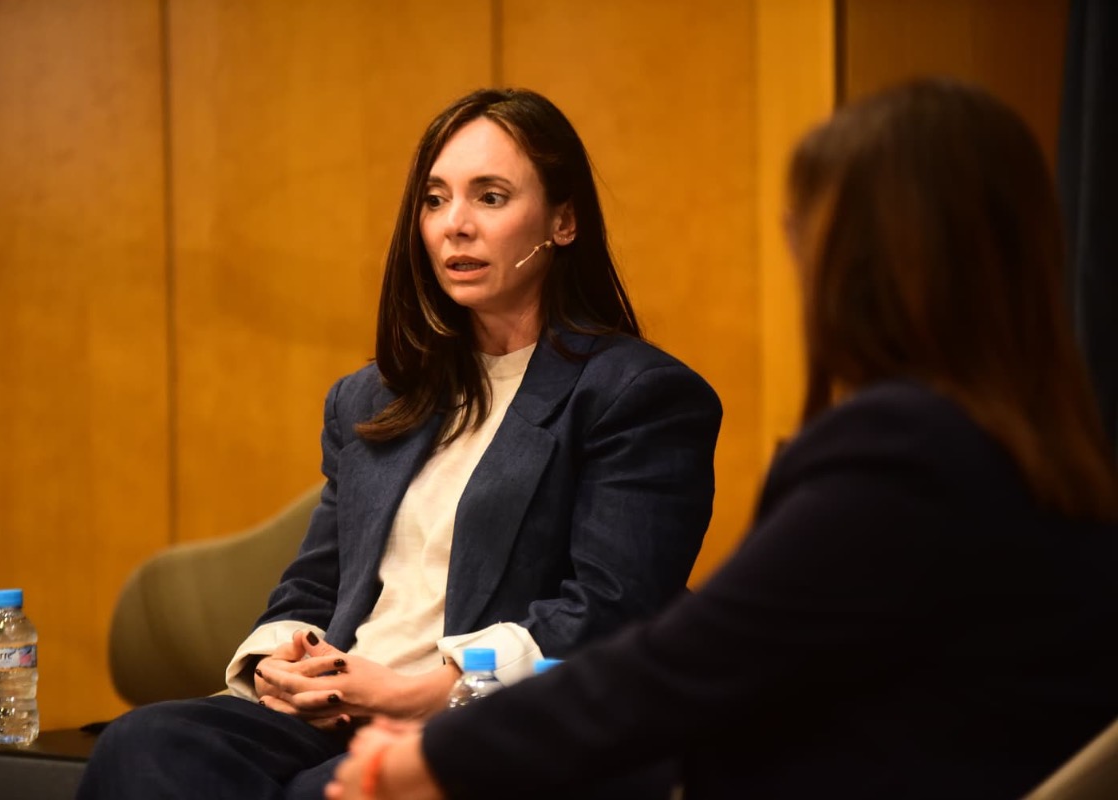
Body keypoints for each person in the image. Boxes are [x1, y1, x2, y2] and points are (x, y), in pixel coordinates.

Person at [325, 78, 1118, 800]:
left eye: (809, 230)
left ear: (869, 260)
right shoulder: (1053, 454)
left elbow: (688, 665)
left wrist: (443, 754)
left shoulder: (904, 454)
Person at [76, 88, 722, 799]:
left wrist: (420, 689)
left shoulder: (635, 394)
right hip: (342, 706)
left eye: (492, 197)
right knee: (146, 744)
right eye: (436, 200)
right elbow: (318, 580)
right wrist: (277, 660)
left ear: (563, 221)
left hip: (494, 719)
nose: (456, 226)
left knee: (329, 790)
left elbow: (610, 607)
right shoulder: (375, 397)